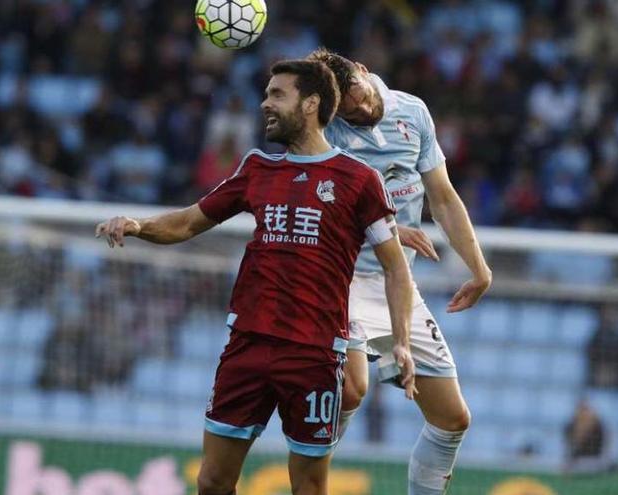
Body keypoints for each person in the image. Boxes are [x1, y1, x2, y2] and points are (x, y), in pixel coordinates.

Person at [96, 59, 416, 495]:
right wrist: (139, 226)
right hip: (248, 343)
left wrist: (400, 340)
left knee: (308, 485)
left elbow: (396, 266)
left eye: (277, 95)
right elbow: (189, 222)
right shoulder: (257, 168)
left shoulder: (360, 180)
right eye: (266, 94)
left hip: (314, 353)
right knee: (211, 481)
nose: (265, 104)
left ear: (311, 103)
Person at [308, 48, 492, 495]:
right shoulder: (324, 132)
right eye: (348, 110)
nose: (361, 109)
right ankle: (305, 480)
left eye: (358, 94)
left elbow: (443, 197)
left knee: (452, 418)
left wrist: (479, 269)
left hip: (396, 286)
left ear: (365, 72)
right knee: (352, 390)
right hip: (342, 280)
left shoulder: (413, 111)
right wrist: (388, 230)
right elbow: (317, 214)